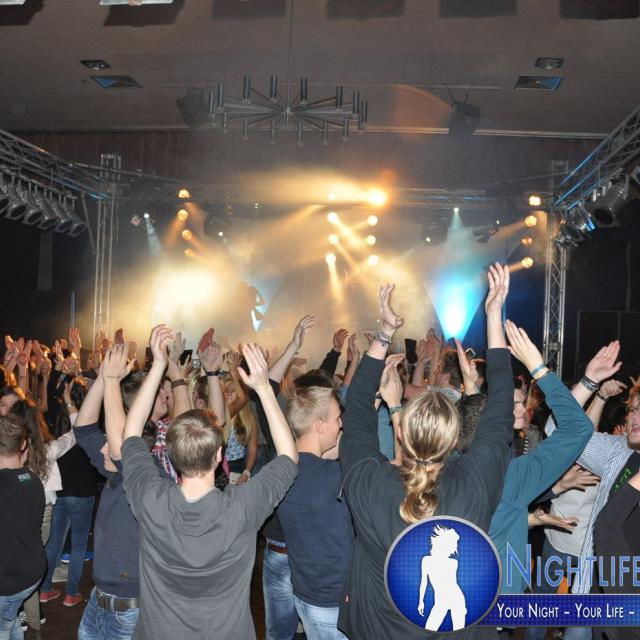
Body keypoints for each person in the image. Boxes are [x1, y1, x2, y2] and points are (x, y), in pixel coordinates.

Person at [338, 264, 514, 640]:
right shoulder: (475, 481)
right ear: (453, 441)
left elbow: (355, 411)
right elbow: (501, 405)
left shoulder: (370, 482)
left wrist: (385, 332)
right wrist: (493, 315)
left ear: (401, 432)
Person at [120, 326, 298, 640]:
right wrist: (264, 388)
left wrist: (159, 364)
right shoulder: (243, 507)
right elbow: (289, 457)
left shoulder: (150, 500)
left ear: (172, 454)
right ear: (219, 455)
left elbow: (131, 434)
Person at [276, 382, 348, 640]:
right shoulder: (334, 477)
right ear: (319, 425)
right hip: (332, 605)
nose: (341, 425)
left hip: (306, 595)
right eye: (337, 418)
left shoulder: (281, 472)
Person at [0, 415, 45, 640]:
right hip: (32, 572)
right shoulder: (33, 480)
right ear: (24, 444)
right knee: (10, 620)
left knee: (4, 625)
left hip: (8, 580)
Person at [418, 525, 466, 632]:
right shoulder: (426, 560)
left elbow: (452, 584)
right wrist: (421, 601)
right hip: (440, 601)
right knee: (429, 630)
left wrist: (462, 608)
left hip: (456, 599)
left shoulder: (453, 563)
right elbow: (423, 582)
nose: (453, 549)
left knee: (459, 633)